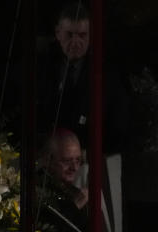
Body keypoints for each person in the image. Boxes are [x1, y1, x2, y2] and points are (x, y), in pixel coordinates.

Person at [35, 1, 129, 153]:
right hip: (47, 155)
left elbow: (118, 120)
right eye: (69, 34)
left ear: (91, 36)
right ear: (58, 33)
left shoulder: (106, 71)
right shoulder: (42, 65)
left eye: (82, 35)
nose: (75, 42)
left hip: (89, 158)